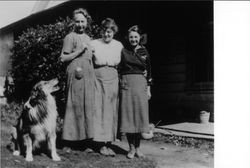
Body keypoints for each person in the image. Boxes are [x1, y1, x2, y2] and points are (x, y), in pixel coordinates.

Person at [60, 8, 95, 152]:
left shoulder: (88, 38)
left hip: (88, 74)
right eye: (77, 21)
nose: (80, 24)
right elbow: (63, 58)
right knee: (72, 104)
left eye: (83, 21)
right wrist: (79, 51)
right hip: (75, 74)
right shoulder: (70, 37)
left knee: (86, 106)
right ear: (73, 22)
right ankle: (68, 142)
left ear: (87, 22)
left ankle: (86, 142)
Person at [119, 25, 153, 159]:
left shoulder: (144, 51)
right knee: (128, 117)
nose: (133, 39)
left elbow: (149, 71)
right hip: (127, 84)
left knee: (139, 116)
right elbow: (119, 68)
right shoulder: (124, 51)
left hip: (141, 85)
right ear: (128, 38)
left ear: (140, 38)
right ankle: (131, 149)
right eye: (131, 37)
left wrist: (148, 88)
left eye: (136, 37)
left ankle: (138, 148)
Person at [90, 18, 123, 156]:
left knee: (111, 109)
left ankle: (109, 141)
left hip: (113, 76)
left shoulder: (119, 45)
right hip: (98, 77)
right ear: (101, 31)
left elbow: (125, 63)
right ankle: (100, 143)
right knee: (99, 109)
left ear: (113, 32)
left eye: (109, 32)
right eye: (104, 31)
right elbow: (87, 61)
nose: (107, 34)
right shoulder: (93, 44)